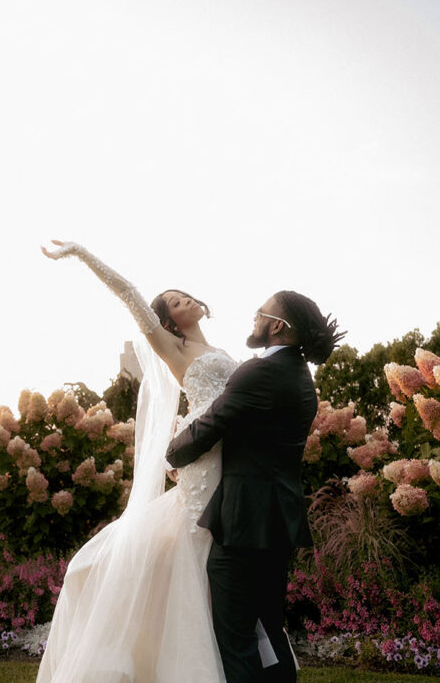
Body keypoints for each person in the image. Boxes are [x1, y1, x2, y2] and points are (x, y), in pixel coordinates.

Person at [37, 239, 235, 682]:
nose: (185, 300)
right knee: (195, 545)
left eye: (185, 294)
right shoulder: (176, 351)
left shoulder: (220, 352)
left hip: (229, 456)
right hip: (204, 462)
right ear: (167, 321)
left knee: (213, 553)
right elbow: (129, 294)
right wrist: (80, 253)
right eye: (174, 303)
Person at [166, 291, 343, 683]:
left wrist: (170, 455)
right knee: (269, 629)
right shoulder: (300, 377)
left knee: (237, 638)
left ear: (277, 325)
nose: (255, 319)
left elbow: (210, 425)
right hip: (278, 521)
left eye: (260, 313)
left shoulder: (259, 372)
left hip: (244, 521)